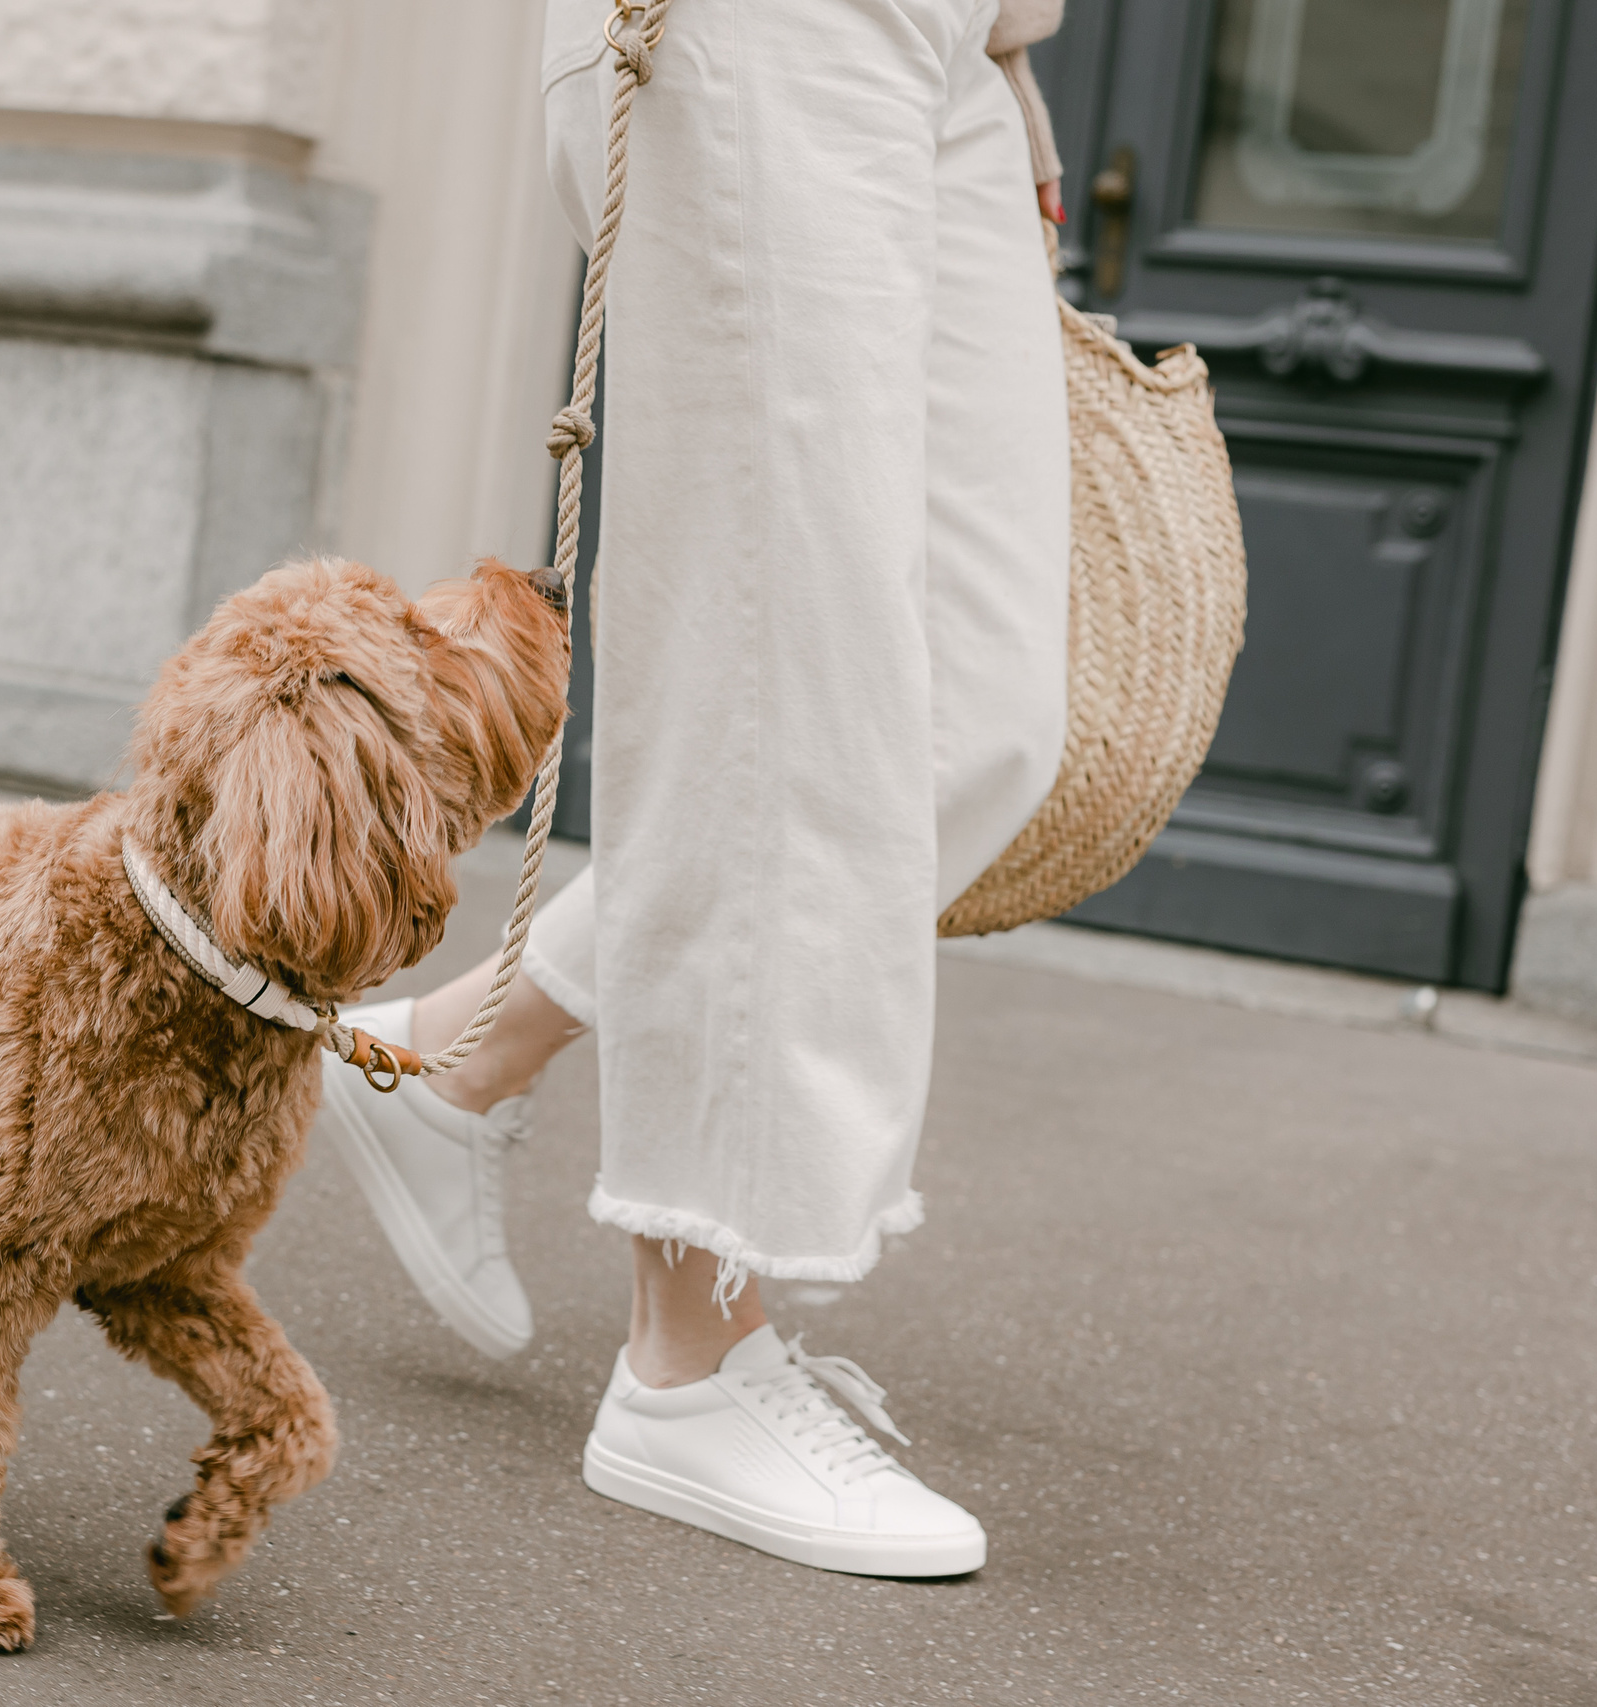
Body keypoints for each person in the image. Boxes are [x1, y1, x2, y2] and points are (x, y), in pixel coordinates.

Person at [316, 0, 1073, 1580]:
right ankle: (690, 1365)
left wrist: (1002, 42)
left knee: (980, 708)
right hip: (770, 32)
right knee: (777, 674)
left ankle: (457, 1055)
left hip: (951, 43)